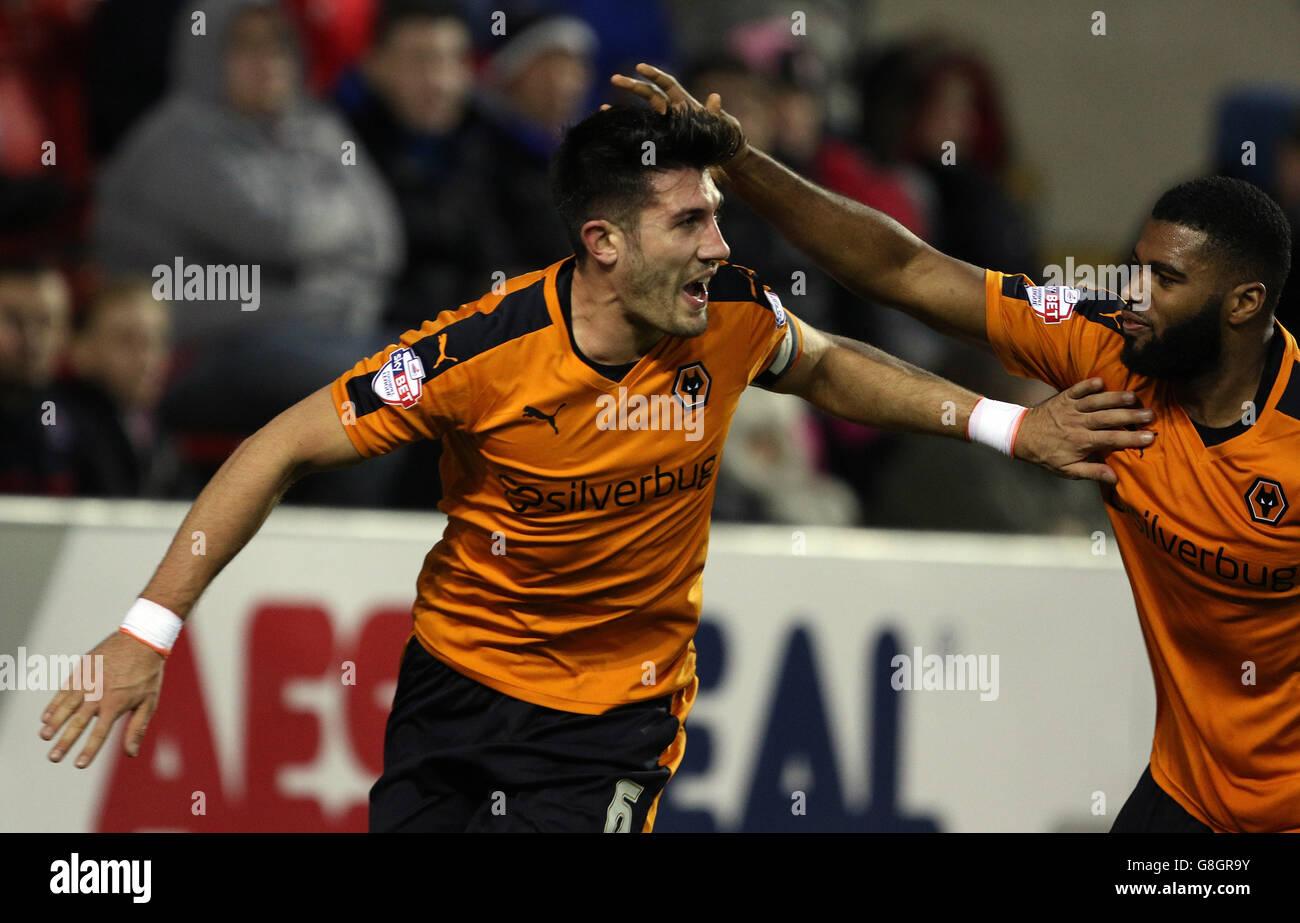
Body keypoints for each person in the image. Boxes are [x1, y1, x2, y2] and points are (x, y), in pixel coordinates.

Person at [39, 104, 1152, 833]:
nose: (719, 245)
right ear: (604, 243)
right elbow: (278, 443)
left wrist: (1008, 428)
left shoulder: (724, 311)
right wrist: (148, 630)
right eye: (690, 222)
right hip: (455, 694)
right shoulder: (478, 355)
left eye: (717, 218)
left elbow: (818, 363)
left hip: (613, 719)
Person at [613, 64, 1298, 832]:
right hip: (1190, 795)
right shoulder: (1103, 343)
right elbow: (905, 269)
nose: (1133, 293)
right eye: (1135, 267)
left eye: (1164, 279)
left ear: (1244, 303)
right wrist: (740, 162)